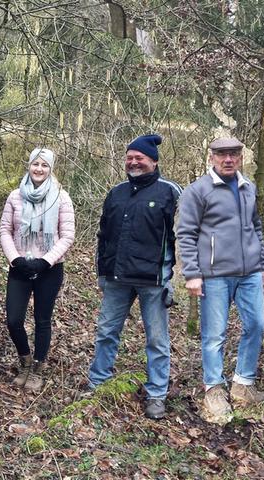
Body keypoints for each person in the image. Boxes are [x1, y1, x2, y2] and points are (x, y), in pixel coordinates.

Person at [87, 134, 181, 420]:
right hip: (117, 278)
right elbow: (103, 234)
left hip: (153, 280)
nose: (133, 161)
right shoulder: (116, 192)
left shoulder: (171, 192)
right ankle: (97, 383)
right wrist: (102, 271)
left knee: (156, 339)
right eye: (129, 157)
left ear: (153, 160)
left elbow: (183, 238)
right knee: (106, 332)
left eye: (139, 157)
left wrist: (173, 278)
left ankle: (156, 395)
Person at [177, 137, 264, 422]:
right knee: (214, 334)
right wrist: (192, 274)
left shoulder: (247, 188)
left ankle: (243, 382)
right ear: (212, 157)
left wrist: (262, 261)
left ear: (240, 157)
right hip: (214, 275)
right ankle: (214, 388)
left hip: (250, 272)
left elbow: (255, 226)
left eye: (233, 154)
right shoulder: (198, 191)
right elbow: (186, 234)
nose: (228, 159)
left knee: (256, 325)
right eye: (222, 155)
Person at [0, 148, 75, 393]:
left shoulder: (61, 198)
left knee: (42, 319)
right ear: (29, 166)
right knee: (13, 319)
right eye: (35, 164)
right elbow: (4, 231)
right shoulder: (15, 196)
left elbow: (67, 235)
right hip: (20, 266)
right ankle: (25, 359)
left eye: (44, 165)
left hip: (49, 269)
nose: (39, 169)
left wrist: (46, 261)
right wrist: (15, 259)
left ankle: (38, 368)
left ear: (51, 168)